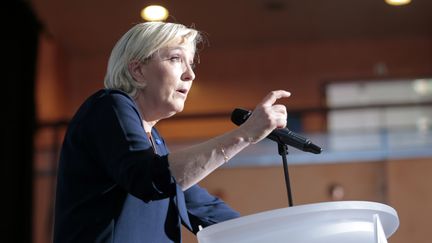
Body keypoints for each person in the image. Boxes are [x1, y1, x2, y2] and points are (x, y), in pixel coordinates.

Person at [53, 21, 290, 243]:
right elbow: (150, 177)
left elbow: (203, 208)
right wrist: (245, 134)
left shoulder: (154, 140)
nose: (190, 74)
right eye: (176, 58)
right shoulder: (109, 105)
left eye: (191, 63)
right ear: (138, 70)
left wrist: (281, 234)